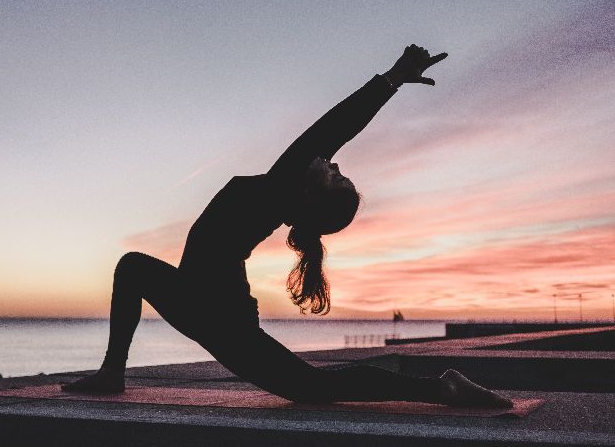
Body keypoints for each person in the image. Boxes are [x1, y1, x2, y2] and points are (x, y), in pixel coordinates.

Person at [63, 45, 512, 408]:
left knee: (311, 390)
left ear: (310, 197)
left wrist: (392, 79)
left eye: (335, 175)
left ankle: (440, 388)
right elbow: (332, 136)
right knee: (132, 267)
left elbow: (335, 127)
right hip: (200, 301)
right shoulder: (279, 194)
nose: (332, 163)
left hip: (217, 314)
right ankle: (112, 373)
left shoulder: (281, 187)